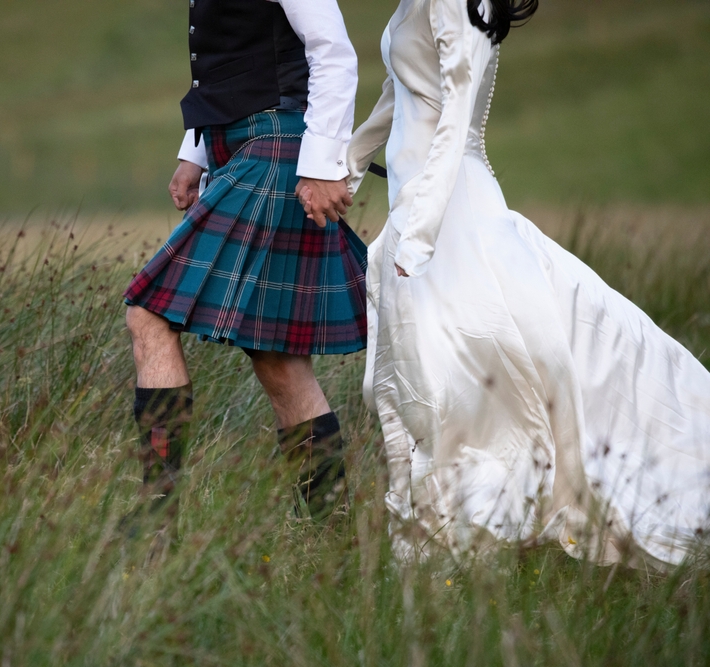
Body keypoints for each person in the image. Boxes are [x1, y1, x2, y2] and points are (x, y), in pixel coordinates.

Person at [347, 0, 710, 568]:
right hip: (420, 208)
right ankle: (453, 534)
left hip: (450, 214)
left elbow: (453, 115)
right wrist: (346, 162)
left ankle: (473, 530)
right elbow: (402, 91)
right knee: (431, 374)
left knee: (470, 372)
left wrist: (418, 234)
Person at [123, 0, 367, 521]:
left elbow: (332, 53)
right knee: (276, 358)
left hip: (278, 147)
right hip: (242, 144)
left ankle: (154, 523)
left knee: (148, 313)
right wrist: (196, 155)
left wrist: (324, 163)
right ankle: (333, 543)